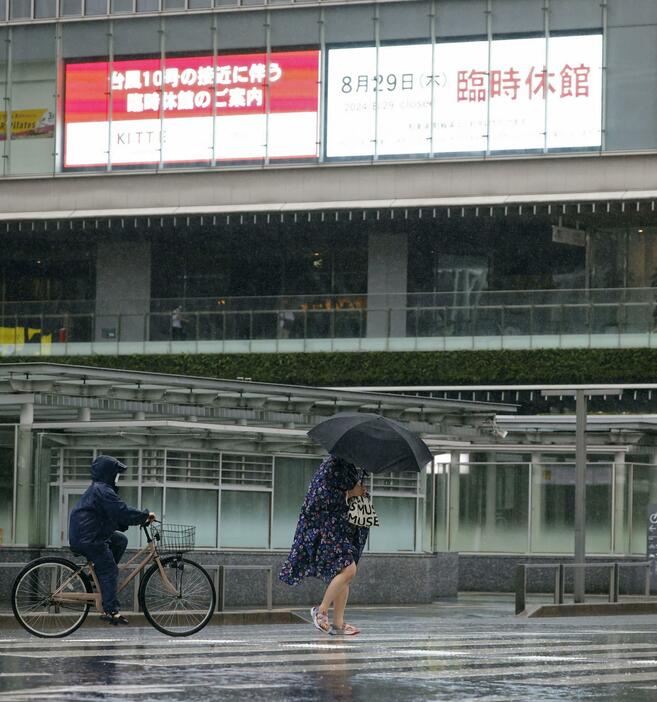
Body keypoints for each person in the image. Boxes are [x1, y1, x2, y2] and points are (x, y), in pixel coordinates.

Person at [279, 454, 369, 636]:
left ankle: (338, 623)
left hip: (339, 529)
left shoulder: (346, 466)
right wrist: (350, 493)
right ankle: (320, 612)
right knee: (349, 570)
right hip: (327, 529)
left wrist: (357, 493)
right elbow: (321, 499)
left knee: (343, 574)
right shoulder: (333, 466)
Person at [69, 455, 155, 625]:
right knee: (109, 569)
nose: (117, 477)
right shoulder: (103, 490)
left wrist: (137, 519)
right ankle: (111, 610)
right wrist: (144, 515)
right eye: (116, 473)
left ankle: (96, 578)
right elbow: (120, 511)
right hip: (89, 538)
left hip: (89, 534)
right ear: (108, 473)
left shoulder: (100, 489)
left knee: (120, 541)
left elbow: (114, 514)